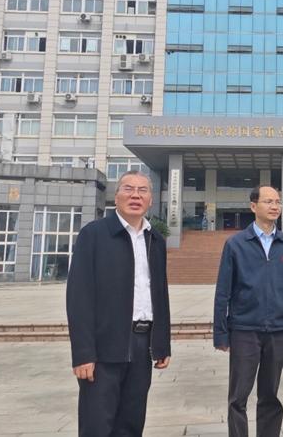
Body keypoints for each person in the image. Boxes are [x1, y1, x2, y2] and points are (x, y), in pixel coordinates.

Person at [66, 170, 171, 437]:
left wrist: (162, 343)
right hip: (104, 348)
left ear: (150, 200)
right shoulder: (94, 235)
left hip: (142, 345)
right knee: (97, 426)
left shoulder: (155, 240)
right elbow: (79, 296)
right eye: (128, 189)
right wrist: (83, 353)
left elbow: (159, 294)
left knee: (131, 425)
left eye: (142, 190)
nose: (135, 195)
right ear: (116, 196)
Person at [213, 186, 283, 437]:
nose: (275, 206)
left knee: (270, 396)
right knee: (238, 397)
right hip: (244, 330)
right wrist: (221, 333)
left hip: (279, 330)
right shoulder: (235, 244)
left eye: (278, 202)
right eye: (268, 201)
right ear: (253, 206)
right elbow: (223, 292)